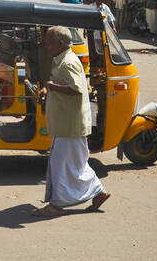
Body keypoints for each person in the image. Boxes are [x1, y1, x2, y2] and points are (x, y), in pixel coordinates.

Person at [33, 27, 109, 218]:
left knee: (60, 166)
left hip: (68, 125)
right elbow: (63, 84)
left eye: (49, 42)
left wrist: (52, 87)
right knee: (76, 164)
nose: (46, 45)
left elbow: (76, 89)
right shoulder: (62, 60)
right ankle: (98, 192)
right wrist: (47, 91)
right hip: (68, 123)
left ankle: (56, 205)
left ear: (60, 44)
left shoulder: (67, 62)